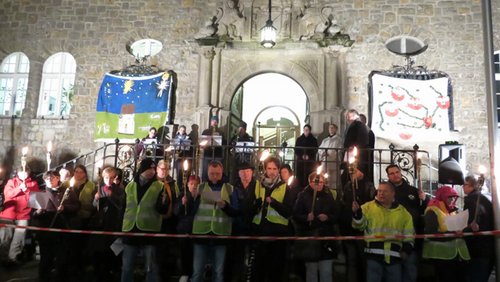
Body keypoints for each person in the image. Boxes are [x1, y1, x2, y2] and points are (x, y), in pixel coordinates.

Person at [352, 182, 414, 282]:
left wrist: (407, 249)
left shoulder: (403, 212)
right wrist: (357, 214)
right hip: (373, 256)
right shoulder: (367, 207)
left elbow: (409, 233)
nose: (381, 193)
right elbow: (359, 226)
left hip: (395, 257)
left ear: (393, 193)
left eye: (385, 191)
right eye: (379, 191)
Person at [121, 158, 169, 282]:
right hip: (131, 229)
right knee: (127, 266)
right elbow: (123, 208)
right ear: (142, 169)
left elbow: (162, 210)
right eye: (149, 168)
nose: (152, 171)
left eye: (153, 169)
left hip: (150, 230)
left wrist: (164, 202)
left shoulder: (160, 186)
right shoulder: (130, 186)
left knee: (151, 267)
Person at [191, 160, 237, 282]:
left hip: (220, 235)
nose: (215, 176)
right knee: (197, 272)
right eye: (212, 173)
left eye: (217, 173)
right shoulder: (200, 188)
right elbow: (191, 211)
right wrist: (190, 198)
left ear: (222, 173)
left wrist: (225, 206)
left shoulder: (229, 189)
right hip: (201, 234)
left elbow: (236, 212)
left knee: (218, 272)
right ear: (207, 173)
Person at [32, 170, 80, 282]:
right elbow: (33, 215)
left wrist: (65, 208)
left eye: (52, 178)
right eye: (46, 179)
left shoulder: (68, 191)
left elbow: (77, 205)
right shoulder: (41, 193)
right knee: (45, 259)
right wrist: (38, 212)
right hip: (47, 231)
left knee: (62, 259)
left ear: (58, 178)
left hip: (62, 230)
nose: (49, 180)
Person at [251, 156, 294, 282]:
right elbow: (250, 209)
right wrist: (255, 205)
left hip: (277, 236)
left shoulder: (285, 187)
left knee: (275, 272)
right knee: (258, 271)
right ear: (265, 169)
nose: (272, 171)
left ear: (279, 170)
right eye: (269, 168)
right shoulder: (258, 184)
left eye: (275, 168)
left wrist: (274, 203)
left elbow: (288, 211)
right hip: (260, 234)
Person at [292, 171, 338, 282]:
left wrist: (327, 217)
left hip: (325, 240)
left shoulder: (328, 196)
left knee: (326, 272)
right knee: (311, 271)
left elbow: (336, 214)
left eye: (322, 182)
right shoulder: (303, 196)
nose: (320, 184)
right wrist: (306, 218)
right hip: (310, 240)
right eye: (317, 182)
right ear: (310, 183)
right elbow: (295, 214)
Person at [386, 164, 428, 282]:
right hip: (393, 236)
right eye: (392, 173)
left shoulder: (413, 191)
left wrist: (424, 199)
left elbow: (424, 210)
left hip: (411, 236)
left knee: (410, 269)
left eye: (397, 172)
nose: (395, 175)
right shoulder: (385, 192)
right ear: (388, 176)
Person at [422, 185, 470, 282]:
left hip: (453, 256)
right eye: (449, 197)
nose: (452, 200)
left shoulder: (451, 211)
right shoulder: (432, 210)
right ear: (442, 196)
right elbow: (431, 234)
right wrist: (453, 234)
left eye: (454, 197)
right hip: (440, 256)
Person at [339, 167, 375, 282]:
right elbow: (343, 202)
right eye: (351, 172)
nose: (352, 173)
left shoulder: (368, 185)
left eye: (355, 171)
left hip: (362, 229)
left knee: (364, 261)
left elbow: (373, 201)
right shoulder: (348, 186)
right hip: (348, 228)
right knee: (351, 260)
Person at [91, 166, 125, 282]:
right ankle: (99, 273)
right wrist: (96, 200)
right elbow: (94, 207)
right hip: (101, 224)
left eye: (111, 178)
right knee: (99, 250)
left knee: (112, 251)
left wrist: (112, 196)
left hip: (113, 223)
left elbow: (121, 205)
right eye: (106, 178)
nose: (108, 180)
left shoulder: (119, 190)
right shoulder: (99, 188)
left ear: (115, 178)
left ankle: (111, 272)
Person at [0, 167, 40, 264]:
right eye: (21, 173)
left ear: (28, 173)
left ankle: (13, 258)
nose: (23, 175)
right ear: (18, 173)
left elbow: (35, 199)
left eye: (25, 173)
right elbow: (8, 194)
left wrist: (26, 190)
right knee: (5, 237)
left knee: (19, 238)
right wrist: (19, 188)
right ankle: (3, 257)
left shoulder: (33, 184)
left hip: (24, 215)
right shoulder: (11, 182)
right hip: (8, 214)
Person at [226, 162, 258, 282]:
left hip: (252, 227)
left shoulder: (258, 186)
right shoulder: (233, 187)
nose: (245, 174)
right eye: (242, 172)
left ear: (252, 172)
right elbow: (232, 207)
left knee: (251, 259)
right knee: (237, 258)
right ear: (238, 173)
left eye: (248, 171)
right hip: (237, 227)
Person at [462, 175, 494, 282]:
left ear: (471, 186)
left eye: (464, 184)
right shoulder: (485, 198)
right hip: (488, 245)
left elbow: (473, 221)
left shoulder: (472, 200)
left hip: (477, 246)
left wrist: (463, 231)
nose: (463, 187)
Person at [175, 175, 201, 282]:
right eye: (191, 184)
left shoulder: (201, 197)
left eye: (196, 184)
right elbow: (176, 211)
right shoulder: (183, 195)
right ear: (187, 185)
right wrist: (182, 203)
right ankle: (185, 274)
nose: (194, 186)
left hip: (198, 230)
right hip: (184, 230)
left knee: (197, 255)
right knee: (185, 253)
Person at [342, 109, 369, 185]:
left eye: (348, 116)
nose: (347, 118)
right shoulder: (357, 125)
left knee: (354, 175)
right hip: (355, 154)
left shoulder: (357, 125)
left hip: (355, 154)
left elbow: (358, 140)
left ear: (354, 115)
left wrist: (350, 146)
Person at [201, 116, 226, 181]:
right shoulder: (206, 131)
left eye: (215, 121)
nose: (214, 123)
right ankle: (205, 183)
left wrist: (219, 139)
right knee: (206, 169)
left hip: (217, 154)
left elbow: (224, 142)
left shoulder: (221, 132)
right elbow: (201, 142)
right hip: (207, 154)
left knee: (217, 170)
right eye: (213, 121)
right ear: (210, 122)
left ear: (217, 123)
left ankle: (217, 184)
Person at [318, 123, 342, 189]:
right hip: (325, 162)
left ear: (335, 129)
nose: (330, 129)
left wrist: (329, 153)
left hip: (333, 162)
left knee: (333, 180)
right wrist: (323, 153)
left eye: (332, 128)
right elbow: (320, 149)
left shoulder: (338, 140)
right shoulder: (325, 140)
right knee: (325, 179)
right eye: (329, 128)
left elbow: (338, 150)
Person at [359, 114, 375, 182]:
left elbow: (370, 145)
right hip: (357, 156)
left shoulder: (369, 132)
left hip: (365, 157)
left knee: (365, 174)